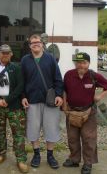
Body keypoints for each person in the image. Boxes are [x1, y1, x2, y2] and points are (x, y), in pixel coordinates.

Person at [63, 52, 107, 174]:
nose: (81, 65)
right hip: (72, 111)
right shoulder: (68, 75)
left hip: (89, 112)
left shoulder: (94, 76)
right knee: (72, 138)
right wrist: (64, 105)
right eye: (78, 63)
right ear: (75, 63)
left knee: (88, 138)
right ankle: (74, 159)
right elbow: (64, 90)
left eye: (84, 62)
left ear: (88, 63)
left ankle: (88, 163)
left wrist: (100, 96)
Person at [21, 34, 64, 169]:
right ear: (29, 46)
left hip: (49, 100)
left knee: (51, 128)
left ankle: (50, 155)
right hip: (32, 100)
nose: (36, 44)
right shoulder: (25, 60)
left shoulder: (50, 59)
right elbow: (21, 81)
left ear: (42, 44)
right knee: (33, 128)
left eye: (38, 42)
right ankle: (36, 154)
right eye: (33, 43)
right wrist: (23, 96)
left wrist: (59, 95)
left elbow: (58, 78)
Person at [0, 45, 29, 173]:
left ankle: (21, 159)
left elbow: (20, 86)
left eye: (7, 53)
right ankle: (1, 154)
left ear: (11, 54)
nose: (5, 55)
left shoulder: (16, 68)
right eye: (2, 53)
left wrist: (7, 100)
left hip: (14, 106)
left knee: (18, 134)